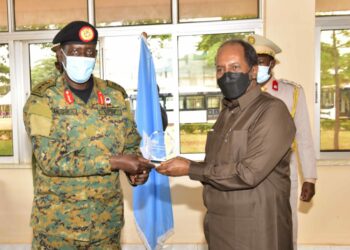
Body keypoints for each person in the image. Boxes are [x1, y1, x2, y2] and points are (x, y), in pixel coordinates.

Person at [23, 20, 154, 249]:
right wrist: (115, 162)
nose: (82, 57)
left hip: (106, 224)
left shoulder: (115, 95)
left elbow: (131, 142)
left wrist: (134, 171)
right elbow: (50, 160)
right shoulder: (42, 100)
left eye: (89, 52)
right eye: (75, 51)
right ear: (60, 56)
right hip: (58, 227)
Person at [157, 39, 296, 250]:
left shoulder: (271, 111)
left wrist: (190, 168)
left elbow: (248, 173)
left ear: (253, 71)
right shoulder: (227, 112)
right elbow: (218, 165)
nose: (226, 74)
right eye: (220, 69)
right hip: (219, 226)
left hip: (257, 230)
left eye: (235, 67)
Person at [246, 34, 317, 249]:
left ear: (273, 63)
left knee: (285, 226)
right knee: (250, 227)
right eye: (252, 62)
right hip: (247, 174)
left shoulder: (291, 93)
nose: (257, 67)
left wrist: (310, 178)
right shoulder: (239, 93)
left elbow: (303, 136)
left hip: (284, 172)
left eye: (261, 61)